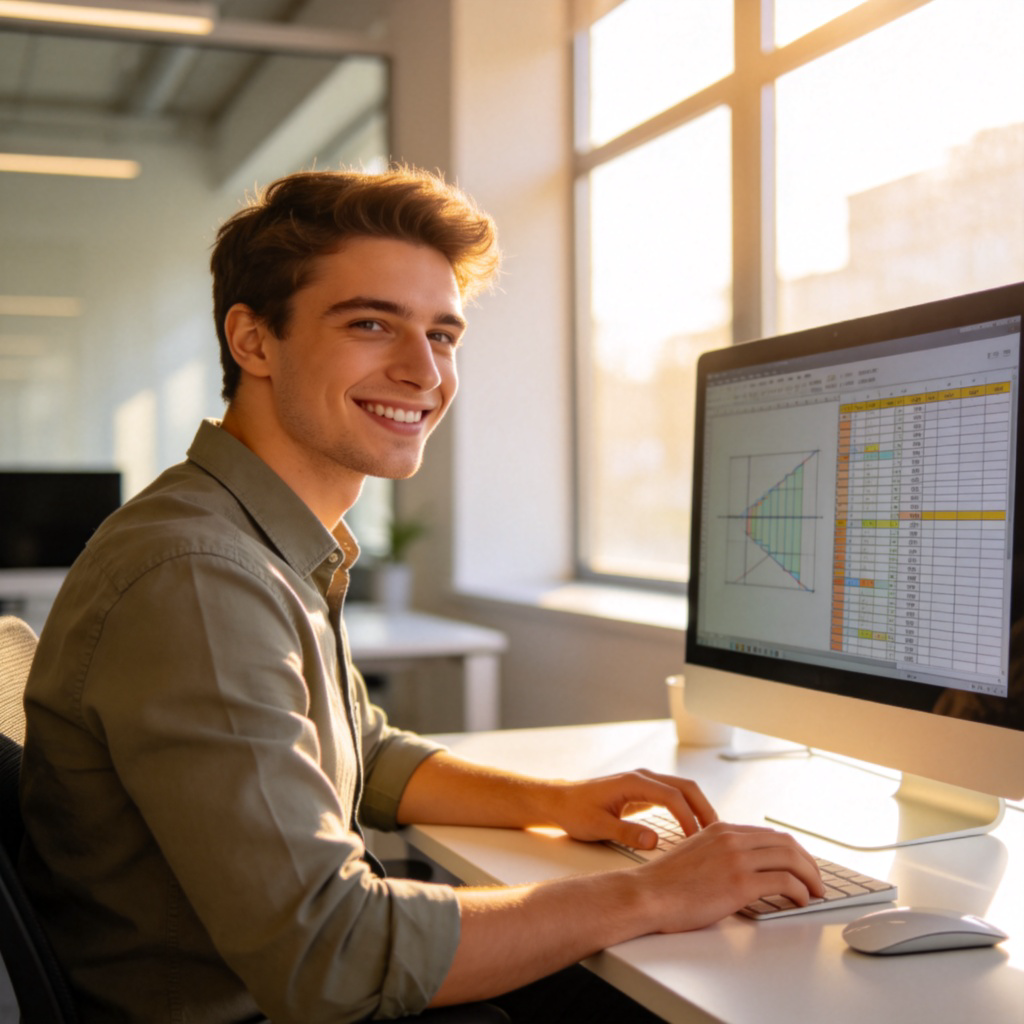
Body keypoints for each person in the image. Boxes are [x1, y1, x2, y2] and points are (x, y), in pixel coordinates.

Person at [19, 166, 824, 1023]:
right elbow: (331, 954)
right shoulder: (200, 575)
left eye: (443, 336)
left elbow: (357, 748)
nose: (423, 372)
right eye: (371, 324)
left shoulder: (255, 536)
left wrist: (553, 804)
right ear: (253, 342)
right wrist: (653, 895)